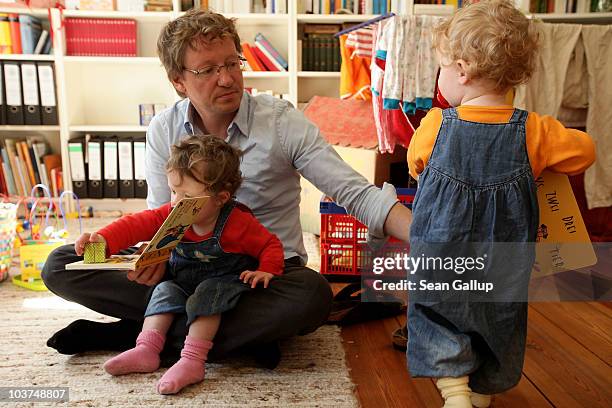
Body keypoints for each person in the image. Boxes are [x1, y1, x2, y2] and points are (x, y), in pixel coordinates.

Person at [42, 8, 412, 366]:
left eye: (232, 63)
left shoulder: (282, 123)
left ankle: (139, 334)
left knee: (313, 295)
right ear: (178, 81)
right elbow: (159, 214)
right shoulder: (162, 129)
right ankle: (228, 338)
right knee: (61, 264)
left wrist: (424, 236)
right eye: (208, 70)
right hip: (184, 270)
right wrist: (149, 259)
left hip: (263, 277)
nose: (227, 78)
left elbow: (354, 192)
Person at [406, 1, 595, 407]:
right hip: (505, 252)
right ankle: (479, 390)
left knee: (436, 306)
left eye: (441, 67)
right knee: (497, 312)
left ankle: (454, 391)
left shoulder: (436, 124)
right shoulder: (537, 131)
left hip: (443, 246)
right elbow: (585, 152)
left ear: (462, 70)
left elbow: (415, 163)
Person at [75, 135, 284, 394]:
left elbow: (270, 244)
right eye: (174, 191)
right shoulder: (172, 213)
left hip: (222, 283)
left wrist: (266, 270)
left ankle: (192, 361)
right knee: (163, 291)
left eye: (186, 196)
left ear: (220, 197)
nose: (175, 201)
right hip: (182, 281)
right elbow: (135, 224)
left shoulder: (237, 222)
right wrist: (101, 241)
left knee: (207, 295)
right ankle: (147, 349)